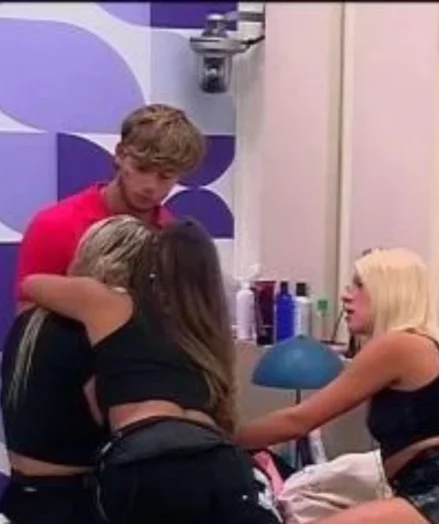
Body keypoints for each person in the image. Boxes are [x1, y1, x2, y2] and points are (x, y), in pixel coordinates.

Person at [19, 219, 282, 524]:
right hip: (216, 459)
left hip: (143, 462)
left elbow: (31, 284)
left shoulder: (110, 303)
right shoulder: (201, 332)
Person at [235, 247, 439, 524]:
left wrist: (223, 439)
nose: (346, 294)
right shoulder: (415, 346)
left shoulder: (400, 345)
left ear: (389, 292)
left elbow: (299, 420)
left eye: (360, 285)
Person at [0, 215, 153, 524]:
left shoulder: (28, 322)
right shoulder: (92, 332)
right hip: (74, 503)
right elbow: (117, 425)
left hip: (23, 497)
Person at [14, 103, 206, 306]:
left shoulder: (172, 238)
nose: (150, 186)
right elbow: (29, 319)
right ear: (120, 155)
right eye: (142, 168)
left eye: (165, 176)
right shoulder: (56, 225)